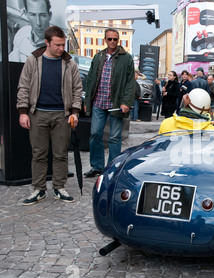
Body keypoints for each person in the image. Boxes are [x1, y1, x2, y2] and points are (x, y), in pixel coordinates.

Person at [17, 25, 82, 204]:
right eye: (58, 45)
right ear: (47, 42)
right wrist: (23, 112)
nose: (62, 48)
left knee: (61, 153)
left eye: (63, 45)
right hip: (38, 114)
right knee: (38, 154)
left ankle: (59, 187)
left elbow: (77, 89)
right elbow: (23, 87)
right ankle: (39, 189)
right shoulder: (33, 60)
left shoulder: (70, 63)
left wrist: (75, 111)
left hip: (63, 114)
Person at [84, 28, 135, 178]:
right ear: (105, 39)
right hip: (98, 102)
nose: (112, 42)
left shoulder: (126, 58)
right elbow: (90, 80)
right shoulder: (98, 56)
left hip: (116, 104)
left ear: (118, 40)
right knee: (94, 134)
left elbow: (130, 83)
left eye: (115, 39)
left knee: (114, 137)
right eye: (109, 39)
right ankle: (97, 166)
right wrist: (88, 100)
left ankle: (113, 168)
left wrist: (126, 102)